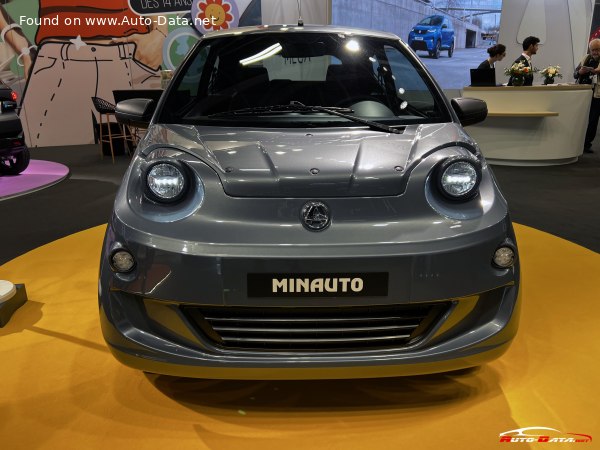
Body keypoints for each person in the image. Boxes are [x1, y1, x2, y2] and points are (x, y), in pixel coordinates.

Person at [19, 0, 167, 147]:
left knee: (154, 155)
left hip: (132, 58)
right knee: (42, 158)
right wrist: (24, 50)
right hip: (58, 63)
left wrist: (159, 33)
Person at [574, 38, 600, 154]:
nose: (595, 52)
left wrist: (596, 71)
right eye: (593, 50)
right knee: (581, 118)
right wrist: (579, 72)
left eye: (598, 50)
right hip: (583, 94)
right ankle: (579, 143)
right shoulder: (585, 59)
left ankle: (586, 144)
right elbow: (575, 74)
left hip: (597, 95)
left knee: (593, 120)